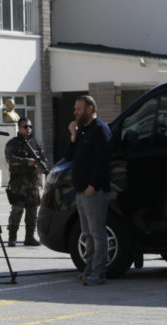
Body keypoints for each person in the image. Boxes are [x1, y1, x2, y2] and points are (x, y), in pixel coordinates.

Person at [66, 95, 113, 285]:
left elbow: (103, 161)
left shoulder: (100, 130)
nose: (75, 112)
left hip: (94, 191)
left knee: (97, 232)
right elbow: (69, 156)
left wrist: (93, 185)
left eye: (78, 109)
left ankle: (99, 272)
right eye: (75, 109)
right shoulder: (82, 131)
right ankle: (88, 269)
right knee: (86, 234)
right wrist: (73, 134)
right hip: (80, 191)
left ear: (89, 110)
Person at [4, 117, 47, 247]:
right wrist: (25, 161)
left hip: (33, 182)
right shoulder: (13, 143)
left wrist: (41, 166)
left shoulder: (34, 143)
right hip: (18, 183)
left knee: (32, 211)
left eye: (30, 126)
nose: (28, 129)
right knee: (17, 210)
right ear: (19, 128)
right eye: (25, 127)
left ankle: (30, 237)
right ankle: (12, 237)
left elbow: (43, 159)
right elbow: (9, 158)